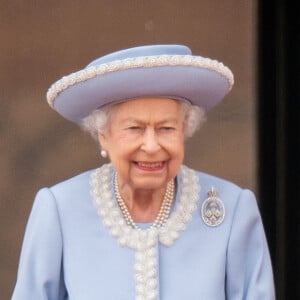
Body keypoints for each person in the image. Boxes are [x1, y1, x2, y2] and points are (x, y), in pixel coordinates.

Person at [12, 44, 275, 299]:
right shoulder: (60, 209)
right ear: (104, 136)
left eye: (166, 128)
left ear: (184, 131)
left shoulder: (232, 209)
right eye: (134, 129)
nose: (151, 146)